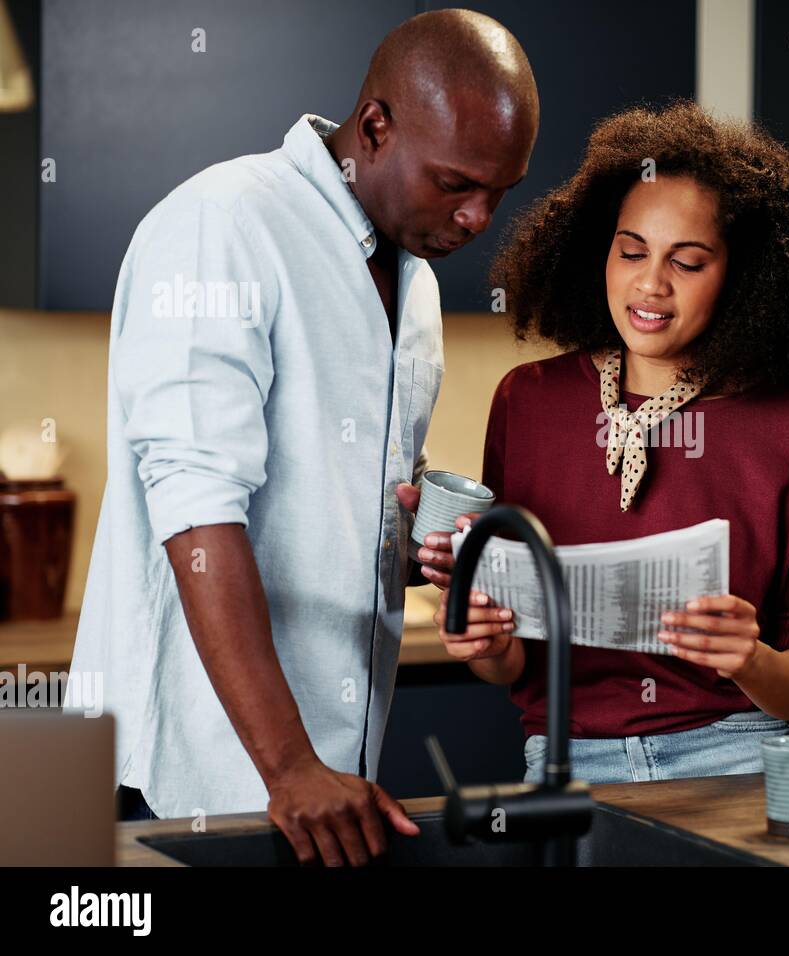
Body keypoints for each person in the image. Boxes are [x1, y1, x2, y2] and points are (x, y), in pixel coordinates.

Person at [68, 9, 539, 866]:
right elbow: (197, 510)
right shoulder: (224, 226)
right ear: (375, 127)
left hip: (326, 782)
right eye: (455, 182)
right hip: (186, 780)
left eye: (500, 191)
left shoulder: (415, 284)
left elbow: (327, 508)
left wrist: (410, 546)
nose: (478, 217)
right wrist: (289, 765)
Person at [415, 102, 789, 784]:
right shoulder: (529, 401)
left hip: (736, 753)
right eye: (631, 250)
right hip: (565, 760)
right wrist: (481, 638)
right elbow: (513, 661)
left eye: (688, 262)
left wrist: (749, 658)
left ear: (744, 276)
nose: (650, 284)